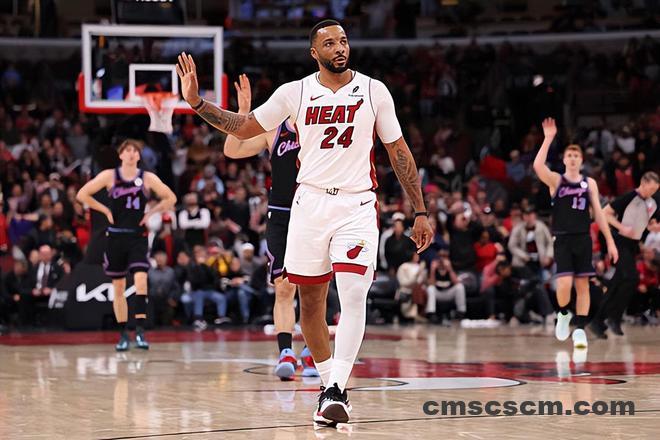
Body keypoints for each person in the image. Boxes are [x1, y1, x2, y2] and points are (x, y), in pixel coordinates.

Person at [177, 19, 433, 425]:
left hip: (356, 204)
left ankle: (338, 388)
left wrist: (420, 210)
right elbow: (243, 127)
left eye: (343, 40)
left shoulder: (374, 90)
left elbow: (399, 152)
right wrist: (196, 103)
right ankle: (328, 387)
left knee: (352, 295)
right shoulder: (294, 92)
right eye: (329, 43)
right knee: (310, 302)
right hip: (308, 204)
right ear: (314, 53)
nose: (339, 47)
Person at [222, 74, 318, 380]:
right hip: (281, 213)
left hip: (313, 212)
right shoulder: (272, 130)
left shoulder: (318, 128)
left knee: (313, 289)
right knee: (284, 286)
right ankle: (286, 351)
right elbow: (231, 150)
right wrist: (243, 112)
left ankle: (314, 351)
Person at [76, 139, 176, 351]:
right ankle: (122, 334)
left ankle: (139, 331)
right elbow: (82, 194)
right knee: (119, 287)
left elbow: (171, 198)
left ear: (139, 156)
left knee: (141, 282)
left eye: (135, 151)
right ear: (120, 155)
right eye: (127, 150)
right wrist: (104, 210)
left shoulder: (147, 177)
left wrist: (151, 212)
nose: (131, 153)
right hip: (115, 237)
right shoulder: (109, 176)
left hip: (137, 237)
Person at [533, 118, 618, 351]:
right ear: (564, 159)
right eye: (569, 155)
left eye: (576, 155)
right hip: (562, 238)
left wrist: (610, 241)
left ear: (581, 160)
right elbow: (538, 166)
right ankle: (563, 314)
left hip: (583, 238)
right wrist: (548, 138)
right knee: (564, 284)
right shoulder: (556, 180)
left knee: (583, 286)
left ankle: (580, 329)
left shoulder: (589, 183)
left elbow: (599, 214)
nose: (572, 158)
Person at [590, 171, 659, 338]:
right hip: (619, 242)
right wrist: (621, 227)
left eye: (655, 190)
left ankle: (598, 321)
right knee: (632, 278)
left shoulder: (650, 203)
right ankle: (614, 317)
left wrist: (650, 230)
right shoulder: (629, 197)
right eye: (650, 189)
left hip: (632, 246)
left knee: (617, 282)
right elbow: (604, 213)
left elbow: (642, 225)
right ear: (643, 183)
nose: (652, 192)